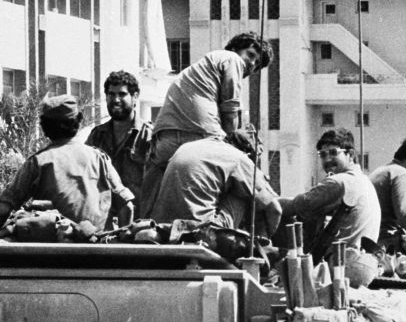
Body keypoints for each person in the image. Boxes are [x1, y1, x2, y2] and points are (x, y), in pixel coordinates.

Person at [140, 32, 272, 214]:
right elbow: (230, 119)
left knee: (156, 192)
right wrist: (240, 139)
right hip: (201, 138)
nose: (252, 64)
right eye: (250, 55)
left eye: (257, 65)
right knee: (244, 187)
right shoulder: (232, 59)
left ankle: (146, 222)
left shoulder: (201, 67)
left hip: (164, 141)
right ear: (235, 48)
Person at [0, 95, 134, 232]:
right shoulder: (98, 158)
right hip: (98, 247)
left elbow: (4, 206)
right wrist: (121, 242)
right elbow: (126, 206)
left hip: (54, 250)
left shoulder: (38, 162)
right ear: (78, 121)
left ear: (44, 127)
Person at [150, 130, 281, 237]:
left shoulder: (191, 146)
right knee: (247, 195)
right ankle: (255, 249)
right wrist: (264, 242)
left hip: (162, 226)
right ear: (247, 153)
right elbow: (275, 209)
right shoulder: (239, 158)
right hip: (200, 231)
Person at [281, 128, 380, 260]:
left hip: (339, 262)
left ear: (350, 154)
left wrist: (266, 201)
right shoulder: (364, 181)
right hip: (360, 259)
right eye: (322, 154)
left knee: (276, 255)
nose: (327, 159)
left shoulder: (339, 182)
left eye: (333, 153)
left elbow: (294, 206)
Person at [85, 70, 152, 217]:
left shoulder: (149, 137)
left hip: (139, 225)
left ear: (135, 97)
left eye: (122, 94)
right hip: (104, 224)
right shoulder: (96, 136)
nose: (115, 100)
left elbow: (156, 187)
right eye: (111, 94)